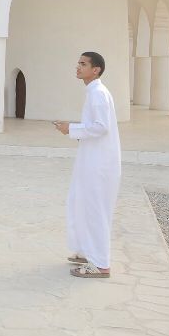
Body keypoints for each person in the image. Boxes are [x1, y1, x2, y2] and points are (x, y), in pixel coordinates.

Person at [54, 52, 121, 280]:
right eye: (78, 63)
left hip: (100, 163)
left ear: (96, 70)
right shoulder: (93, 92)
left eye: (83, 64)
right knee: (81, 202)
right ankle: (88, 252)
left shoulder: (99, 94)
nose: (78, 67)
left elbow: (102, 127)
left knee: (95, 209)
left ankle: (101, 264)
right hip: (92, 159)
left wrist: (71, 129)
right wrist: (73, 129)